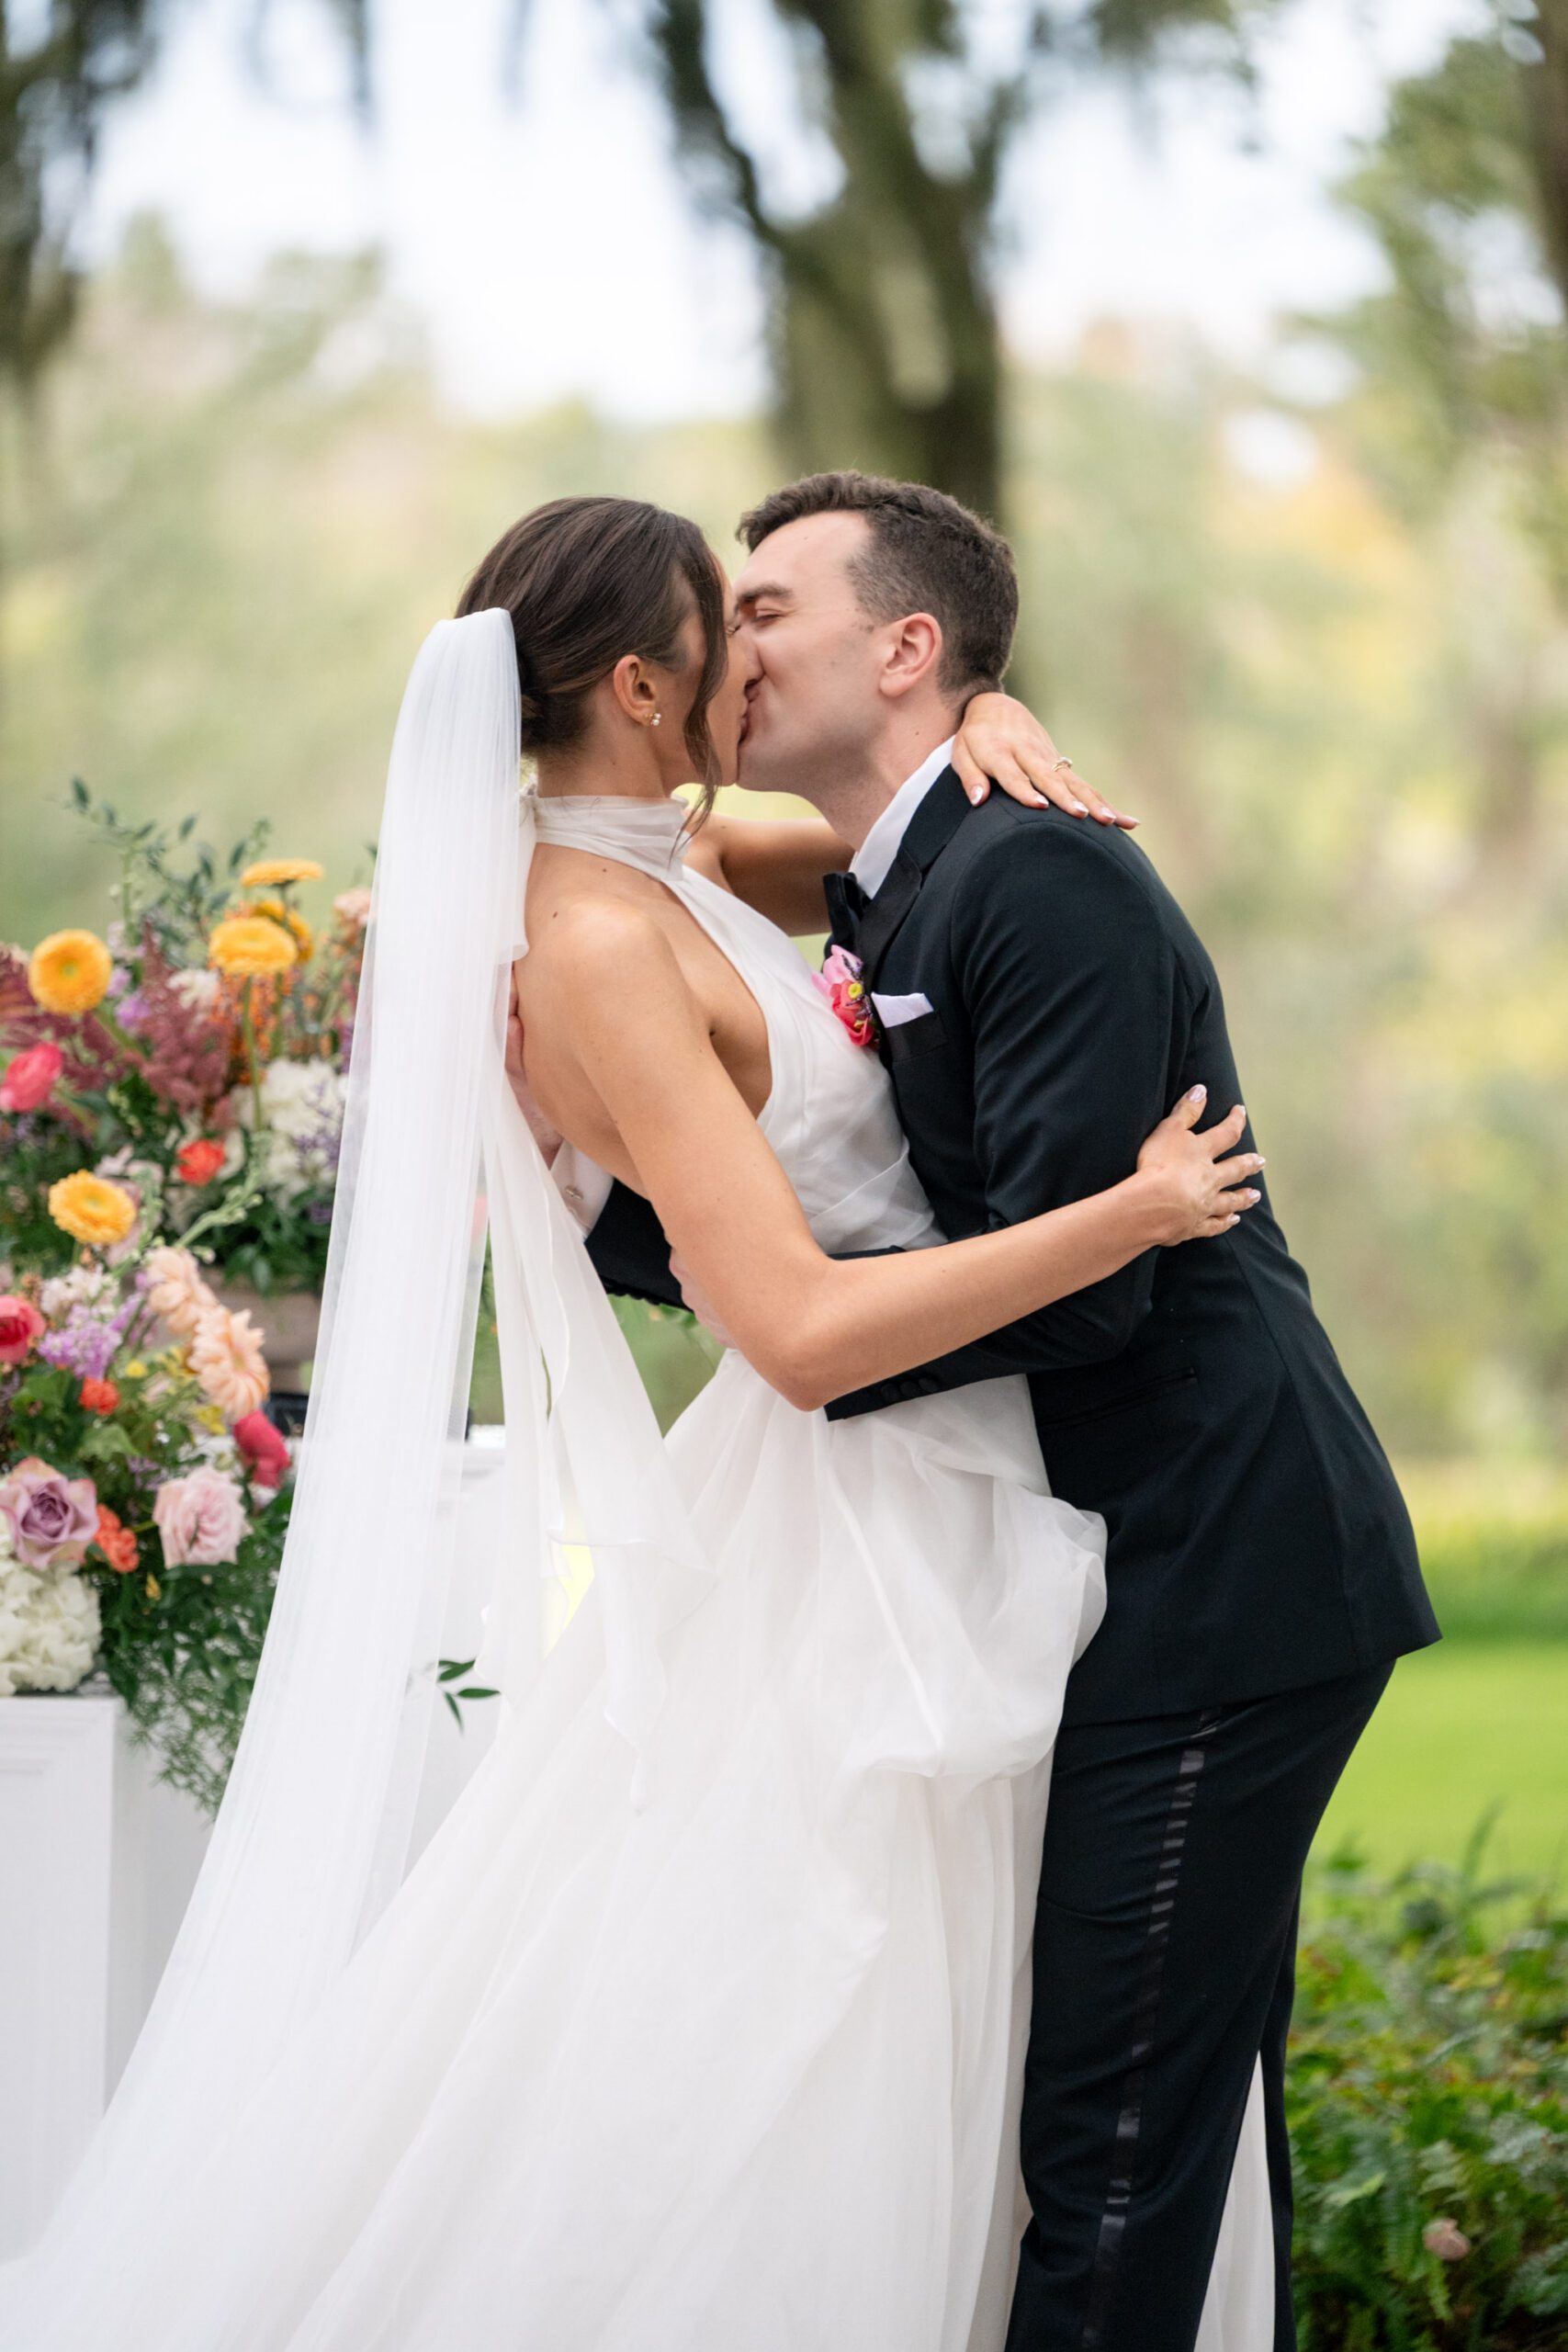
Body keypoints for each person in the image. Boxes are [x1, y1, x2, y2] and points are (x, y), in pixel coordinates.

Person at [0, 492, 1267, 2352]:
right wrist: (1126, 1212)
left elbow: (871, 836)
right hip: (868, 1501)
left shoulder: (675, 853)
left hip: (969, 1471)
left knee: (1046, 2019)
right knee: (837, 2023)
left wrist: (983, 716)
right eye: (731, 625)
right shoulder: (588, 938)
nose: (760, 653)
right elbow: (794, 1324)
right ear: (643, 683)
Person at [573, 473, 1441, 2352]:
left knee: (1109, 2130)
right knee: (1153, 2104)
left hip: (1219, 1558)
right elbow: (624, 835)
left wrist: (793, 1336)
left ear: (904, 644)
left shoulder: (1029, 870)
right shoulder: (895, 864)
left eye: (772, 604)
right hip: (1080, 1550)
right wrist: (654, 1225)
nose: (732, 640)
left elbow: (1092, 1276)